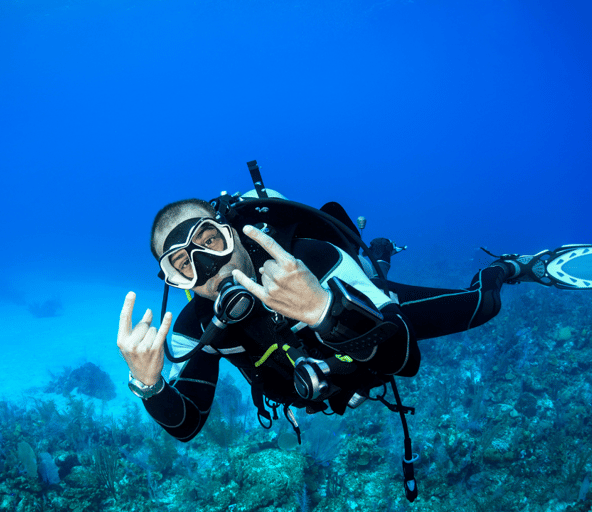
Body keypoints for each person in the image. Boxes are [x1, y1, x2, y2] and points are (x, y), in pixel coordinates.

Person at [116, 178, 590, 501]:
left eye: (210, 242)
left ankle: (512, 267)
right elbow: (186, 425)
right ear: (172, 282)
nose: (209, 268)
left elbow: (405, 359)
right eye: (182, 265)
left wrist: (324, 309)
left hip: (366, 323)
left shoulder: (314, 260)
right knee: (380, 274)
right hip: (327, 386)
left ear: (234, 233)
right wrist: (150, 385)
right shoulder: (197, 330)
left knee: (480, 306)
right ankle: (381, 250)